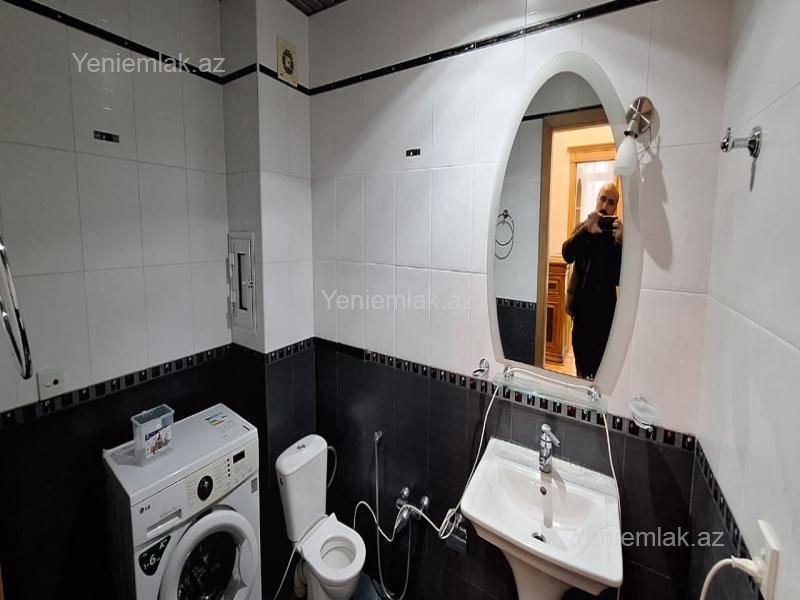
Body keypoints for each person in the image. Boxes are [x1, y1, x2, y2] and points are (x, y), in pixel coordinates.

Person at [562, 182, 623, 380]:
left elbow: (620, 278)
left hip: (604, 317)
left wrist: (622, 244)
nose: (605, 205)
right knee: (581, 368)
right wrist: (585, 231)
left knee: (600, 372)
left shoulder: (617, 237)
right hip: (581, 314)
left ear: (615, 208)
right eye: (603, 199)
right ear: (597, 199)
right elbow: (567, 254)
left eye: (611, 202)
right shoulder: (584, 228)